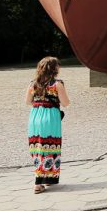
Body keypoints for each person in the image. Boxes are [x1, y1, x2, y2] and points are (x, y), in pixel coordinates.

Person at [26, 56, 70, 193]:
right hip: (50, 117)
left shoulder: (33, 83)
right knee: (50, 147)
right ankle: (38, 184)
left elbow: (28, 102)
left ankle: (47, 179)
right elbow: (66, 103)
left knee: (38, 147)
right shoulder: (57, 84)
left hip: (35, 117)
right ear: (54, 69)